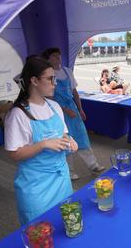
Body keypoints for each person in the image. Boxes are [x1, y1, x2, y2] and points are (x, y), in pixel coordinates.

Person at [4, 57, 77, 225]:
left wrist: (70, 141)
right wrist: (43, 144)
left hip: (61, 180)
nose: (55, 83)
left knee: (65, 224)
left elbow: (63, 135)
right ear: (34, 81)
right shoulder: (18, 114)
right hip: (36, 187)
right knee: (41, 231)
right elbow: (14, 154)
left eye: (55, 78)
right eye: (50, 79)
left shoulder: (54, 106)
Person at [42, 48, 105, 181]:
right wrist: (64, 110)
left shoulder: (67, 71)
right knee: (65, 139)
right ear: (48, 59)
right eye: (54, 56)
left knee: (82, 136)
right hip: (58, 111)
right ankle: (69, 170)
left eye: (58, 55)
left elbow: (74, 92)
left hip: (72, 108)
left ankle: (93, 164)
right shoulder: (48, 74)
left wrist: (80, 109)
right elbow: (49, 98)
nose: (58, 57)